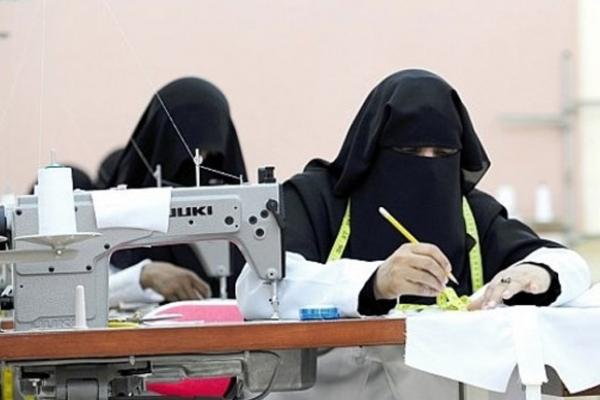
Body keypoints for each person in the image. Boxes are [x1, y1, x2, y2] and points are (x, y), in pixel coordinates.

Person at [236, 69, 590, 399]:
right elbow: (257, 289)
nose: (427, 165)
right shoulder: (316, 200)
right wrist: (375, 283)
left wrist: (537, 274)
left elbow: (565, 262)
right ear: (371, 149)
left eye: (443, 153)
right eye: (408, 151)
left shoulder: (471, 212)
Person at [106, 77, 248, 307]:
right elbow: (79, 295)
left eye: (210, 156)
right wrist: (143, 277)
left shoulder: (245, 209)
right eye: (187, 156)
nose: (199, 166)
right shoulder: (113, 213)